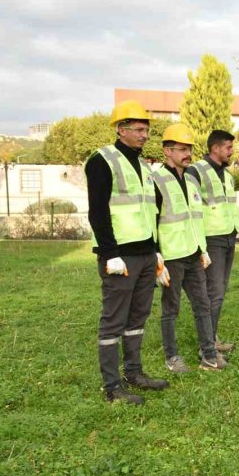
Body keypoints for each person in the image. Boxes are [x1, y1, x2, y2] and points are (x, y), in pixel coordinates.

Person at [84, 99, 169, 404]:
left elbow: (150, 212)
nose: (145, 135)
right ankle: (112, 387)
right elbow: (97, 212)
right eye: (138, 129)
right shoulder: (102, 160)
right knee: (114, 321)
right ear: (121, 129)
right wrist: (109, 253)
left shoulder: (143, 166)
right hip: (120, 256)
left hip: (145, 254)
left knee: (138, 317)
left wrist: (156, 252)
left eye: (147, 129)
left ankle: (134, 373)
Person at [152, 123, 225, 372]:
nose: (187, 154)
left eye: (189, 149)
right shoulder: (156, 181)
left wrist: (203, 250)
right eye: (181, 149)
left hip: (194, 254)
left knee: (203, 305)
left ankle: (209, 355)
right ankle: (172, 357)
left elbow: (196, 219)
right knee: (170, 309)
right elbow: (151, 221)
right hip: (171, 257)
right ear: (167, 152)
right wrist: (157, 258)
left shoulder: (192, 182)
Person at [186, 129, 239, 355]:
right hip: (211, 238)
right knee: (213, 292)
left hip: (228, 236)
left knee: (220, 291)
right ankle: (206, 346)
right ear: (215, 148)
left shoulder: (226, 175)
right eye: (228, 147)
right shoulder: (196, 171)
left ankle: (212, 338)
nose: (231, 151)